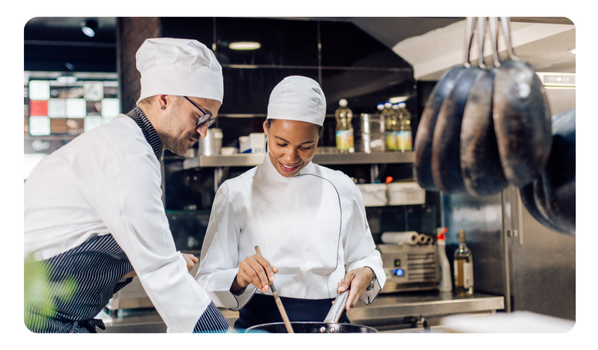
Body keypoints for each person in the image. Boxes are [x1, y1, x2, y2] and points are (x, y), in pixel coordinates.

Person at [24, 38, 230, 333]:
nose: (204, 131)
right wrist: (218, 335)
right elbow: (161, 272)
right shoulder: (128, 155)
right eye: (201, 116)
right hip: (40, 320)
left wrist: (148, 261)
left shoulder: (122, 143)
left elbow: (83, 239)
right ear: (164, 99)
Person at [196, 76, 386, 330]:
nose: (290, 157)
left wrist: (366, 271)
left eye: (306, 146)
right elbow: (206, 281)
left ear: (319, 136)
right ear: (266, 128)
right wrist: (239, 278)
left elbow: (366, 255)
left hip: (330, 327)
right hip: (261, 331)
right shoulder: (235, 192)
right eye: (280, 143)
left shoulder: (342, 187)